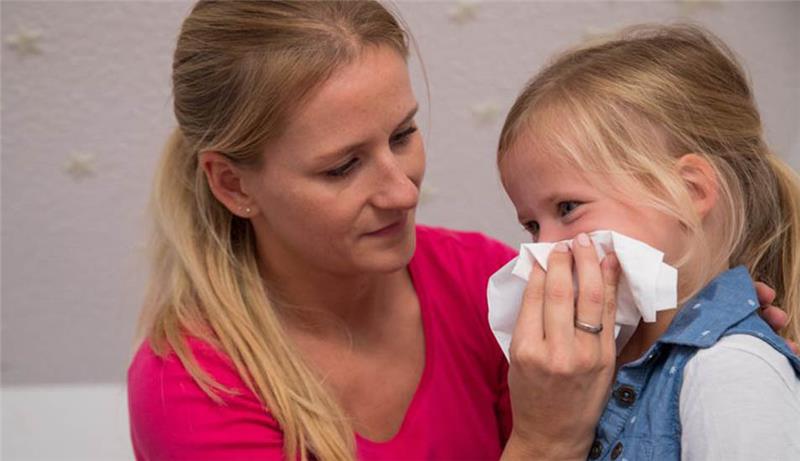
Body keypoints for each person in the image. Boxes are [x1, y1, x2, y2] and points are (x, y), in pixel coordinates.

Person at [126, 2, 788, 460]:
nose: (402, 189)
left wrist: (675, 347)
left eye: (403, 134)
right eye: (342, 166)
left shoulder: (481, 285)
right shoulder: (191, 386)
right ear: (235, 185)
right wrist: (543, 440)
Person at [497, 24, 800, 460]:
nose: (544, 250)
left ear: (690, 192)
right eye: (531, 225)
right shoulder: (594, 377)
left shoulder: (730, 372)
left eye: (567, 208)